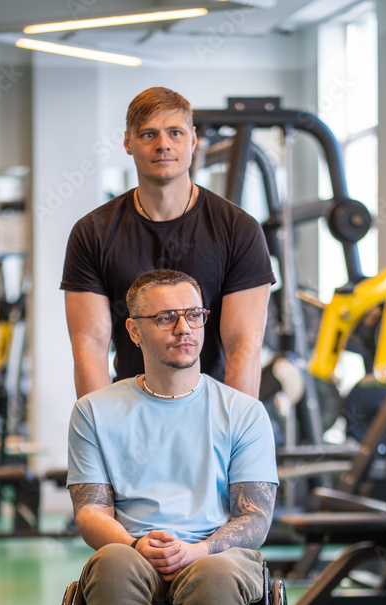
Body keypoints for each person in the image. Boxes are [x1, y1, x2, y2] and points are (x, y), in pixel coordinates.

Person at [67, 269, 278, 605]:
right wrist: (134, 543)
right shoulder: (95, 412)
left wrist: (199, 549)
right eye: (166, 317)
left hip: (214, 553)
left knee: (216, 575)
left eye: (194, 315)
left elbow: (255, 517)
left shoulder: (243, 413)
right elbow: (90, 511)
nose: (185, 328)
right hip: (133, 550)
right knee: (111, 563)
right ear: (134, 330)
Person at [61, 86, 275, 400]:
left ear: (193, 139)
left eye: (175, 133)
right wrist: (101, 425)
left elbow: (243, 346)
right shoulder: (92, 233)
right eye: (149, 134)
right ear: (128, 142)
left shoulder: (239, 230)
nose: (163, 144)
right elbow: (89, 346)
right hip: (129, 410)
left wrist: (233, 426)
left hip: (213, 409)